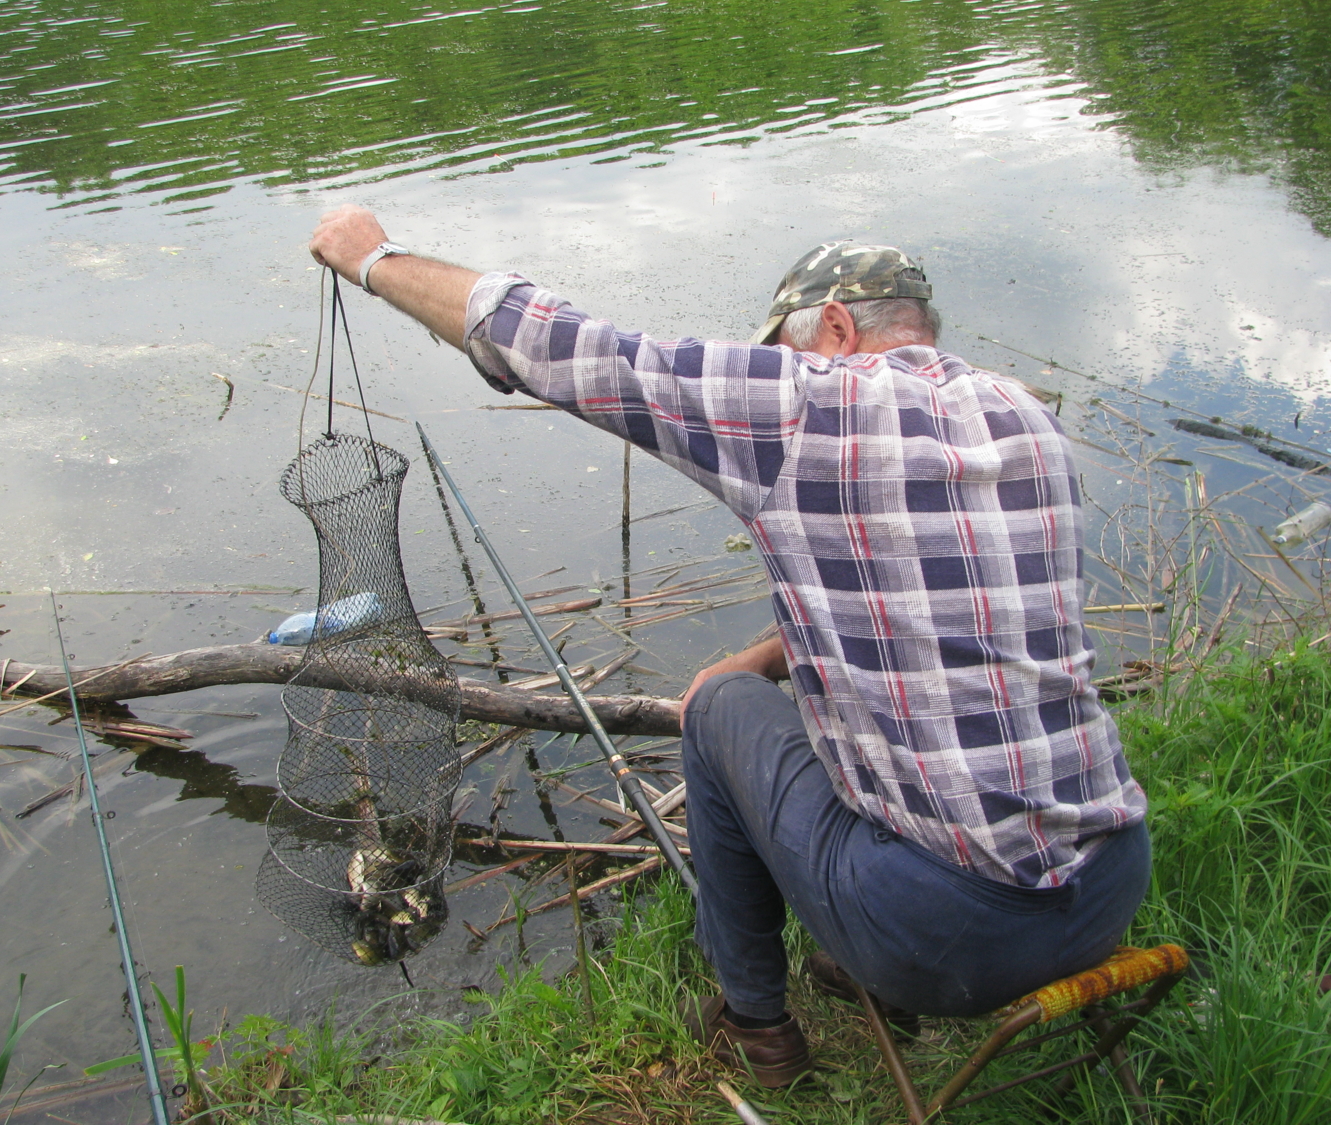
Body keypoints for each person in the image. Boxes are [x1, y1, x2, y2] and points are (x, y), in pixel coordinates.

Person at [309, 206, 1151, 1088]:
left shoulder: (804, 405)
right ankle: (855, 965)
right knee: (756, 692)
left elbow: (571, 350)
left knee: (715, 713)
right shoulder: (1026, 418)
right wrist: (765, 656)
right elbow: (940, 602)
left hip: (949, 938)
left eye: (788, 349)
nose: (783, 367)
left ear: (832, 327)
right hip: (1106, 883)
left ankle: (759, 1027)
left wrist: (375, 259)